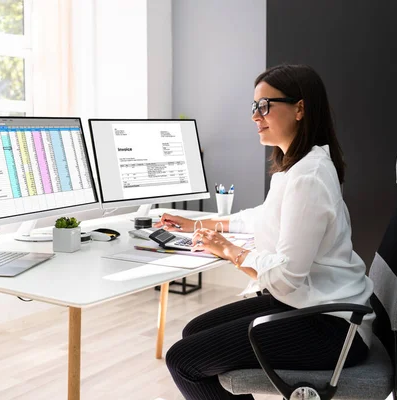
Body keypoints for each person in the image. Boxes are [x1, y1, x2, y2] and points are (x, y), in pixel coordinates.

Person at [156, 64, 375, 400]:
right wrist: (201, 224)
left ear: (299, 108)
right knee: (193, 332)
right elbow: (265, 217)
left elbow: (287, 278)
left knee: (183, 359)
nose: (255, 116)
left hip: (335, 328)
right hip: (313, 306)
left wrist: (230, 251)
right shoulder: (298, 166)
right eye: (253, 107)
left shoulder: (308, 177)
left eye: (264, 106)